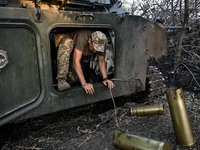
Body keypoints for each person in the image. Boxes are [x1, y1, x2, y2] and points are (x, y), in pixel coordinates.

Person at [54, 30, 115, 94]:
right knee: (67, 42)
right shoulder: (82, 37)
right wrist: (84, 83)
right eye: (94, 48)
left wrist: (106, 79)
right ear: (89, 40)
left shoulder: (101, 43)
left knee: (74, 80)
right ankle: (61, 80)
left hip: (75, 50)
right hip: (63, 42)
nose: (95, 52)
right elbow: (76, 61)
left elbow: (101, 61)